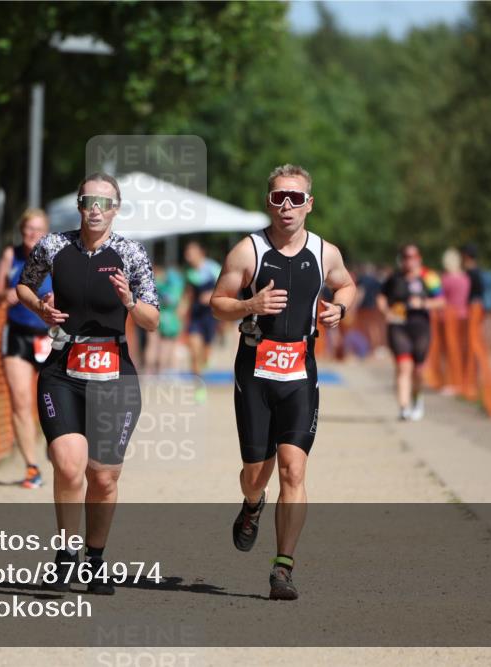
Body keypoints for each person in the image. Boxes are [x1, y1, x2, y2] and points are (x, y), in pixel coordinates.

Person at [210, 164, 355, 601]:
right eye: (278, 198)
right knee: (257, 473)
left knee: (294, 468)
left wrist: (340, 309)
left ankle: (283, 567)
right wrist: (249, 303)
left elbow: (346, 285)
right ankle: (253, 504)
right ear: (268, 201)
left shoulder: (325, 252)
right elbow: (217, 304)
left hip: (299, 373)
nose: (286, 206)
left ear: (310, 203)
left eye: (295, 197)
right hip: (254, 373)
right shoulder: (247, 251)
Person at [16, 172, 159, 595]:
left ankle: (95, 560)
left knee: (103, 477)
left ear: (116, 208)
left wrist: (130, 301)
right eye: (87, 201)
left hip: (114, 370)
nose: (95, 210)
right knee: (67, 463)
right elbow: (23, 286)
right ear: (79, 206)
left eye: (104, 203)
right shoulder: (53, 246)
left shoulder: (131, 254)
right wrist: (41, 308)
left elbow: (152, 320)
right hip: (63, 366)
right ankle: (65, 555)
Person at [0, 209, 51, 489]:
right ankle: (31, 467)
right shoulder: (10, 255)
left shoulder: (55, 258)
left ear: (46, 233)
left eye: (38, 230)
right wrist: (8, 295)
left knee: (54, 400)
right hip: (16, 335)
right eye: (28, 229)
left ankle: (58, 445)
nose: (32, 234)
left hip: (50, 335)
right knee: (21, 401)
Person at [377, 244, 444, 421]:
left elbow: (441, 300)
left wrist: (422, 304)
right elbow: (381, 297)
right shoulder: (395, 277)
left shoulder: (429, 277)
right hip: (398, 325)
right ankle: (404, 407)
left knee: (418, 369)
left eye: (413, 256)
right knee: (403, 366)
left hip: (420, 325)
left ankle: (417, 399)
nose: (409, 260)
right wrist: (386, 312)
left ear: (419, 258)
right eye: (406, 257)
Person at [183, 241, 222, 401]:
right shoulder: (189, 272)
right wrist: (182, 308)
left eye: (191, 252)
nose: (188, 256)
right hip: (196, 316)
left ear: (201, 253)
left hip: (210, 316)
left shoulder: (213, 268)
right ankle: (199, 386)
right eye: (187, 253)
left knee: (205, 354)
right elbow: (189, 294)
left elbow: (227, 287)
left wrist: (212, 294)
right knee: (193, 350)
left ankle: (205, 360)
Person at [439, 247, 471, 395]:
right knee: (461, 350)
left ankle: (452, 382)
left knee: (449, 351)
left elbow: (440, 299)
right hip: (464, 316)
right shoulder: (465, 278)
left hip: (447, 318)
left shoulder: (445, 279)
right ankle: (462, 381)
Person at [144, 263, 185, 374]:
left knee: (152, 344)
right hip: (167, 317)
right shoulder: (172, 287)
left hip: (152, 314)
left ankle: (149, 371)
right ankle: (161, 370)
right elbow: (175, 303)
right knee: (165, 345)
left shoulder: (151, 285)